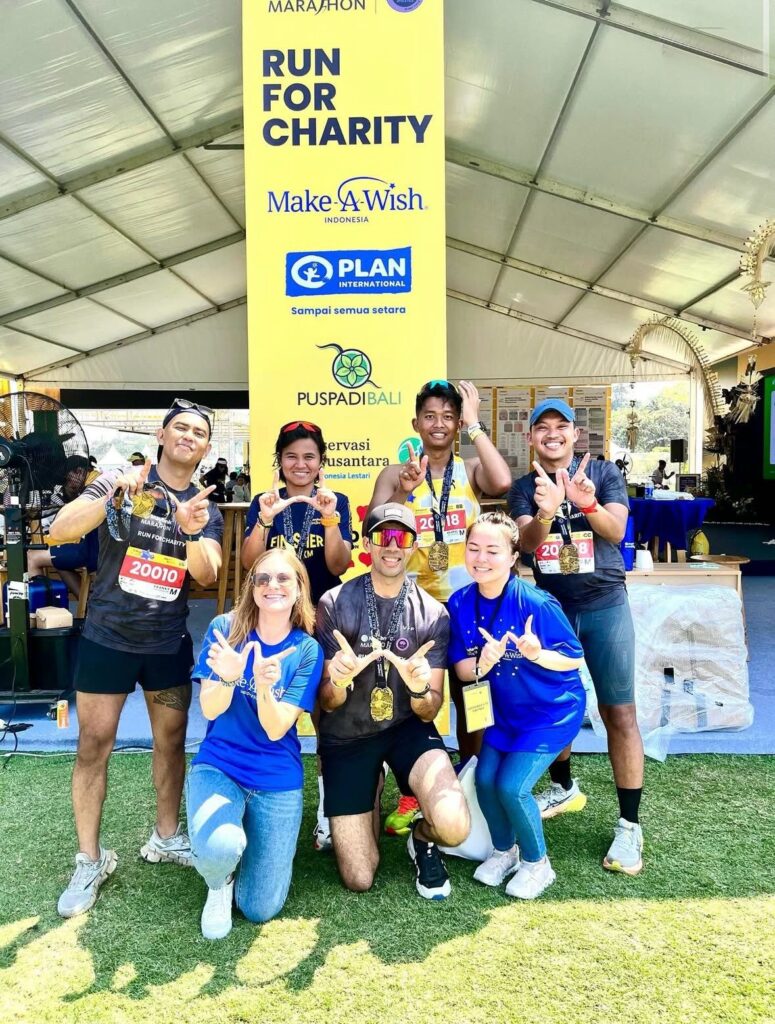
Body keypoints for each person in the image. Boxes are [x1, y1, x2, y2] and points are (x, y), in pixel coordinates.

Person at [50, 399, 224, 918]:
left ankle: (166, 837)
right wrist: (112, 493)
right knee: (93, 744)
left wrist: (192, 530)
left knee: (171, 741)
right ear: (162, 433)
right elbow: (61, 530)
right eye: (181, 427)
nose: (189, 436)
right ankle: (89, 858)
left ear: (207, 446)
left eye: (199, 431)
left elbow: (210, 574)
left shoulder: (205, 504)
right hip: (107, 639)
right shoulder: (118, 481)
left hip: (166, 645)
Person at [369, 379, 512, 835]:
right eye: (430, 415)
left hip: (468, 605)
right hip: (412, 606)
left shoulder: (469, 469)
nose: (439, 424)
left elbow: (503, 481)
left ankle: (470, 782)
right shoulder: (397, 472)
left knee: (473, 697)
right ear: (415, 422)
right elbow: (374, 526)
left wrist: (475, 425)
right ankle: (414, 791)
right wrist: (404, 493)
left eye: (449, 416)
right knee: (412, 697)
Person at [509, 399, 644, 875]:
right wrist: (546, 512)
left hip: (605, 604)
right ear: (530, 439)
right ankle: (564, 786)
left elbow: (615, 529)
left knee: (619, 712)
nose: (551, 434)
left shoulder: (603, 473)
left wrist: (584, 500)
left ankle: (630, 826)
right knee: (554, 704)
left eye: (560, 427)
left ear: (574, 435)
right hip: (554, 612)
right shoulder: (523, 488)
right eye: (541, 427)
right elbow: (525, 545)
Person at [316, 502, 470, 900]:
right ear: (367, 543)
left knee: (454, 826)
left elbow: (430, 709)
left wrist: (420, 689)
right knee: (359, 876)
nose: (392, 545)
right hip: (349, 734)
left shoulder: (434, 613)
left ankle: (421, 838)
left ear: (413, 546)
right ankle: (371, 780)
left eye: (401, 537)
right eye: (383, 536)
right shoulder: (334, 603)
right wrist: (337, 683)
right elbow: (327, 704)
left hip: (406, 730)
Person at [187, 547, 323, 939]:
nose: (272, 586)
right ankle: (219, 881)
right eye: (262, 579)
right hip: (221, 765)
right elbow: (211, 710)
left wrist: (264, 688)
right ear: (252, 587)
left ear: (299, 589)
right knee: (221, 849)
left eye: (284, 578)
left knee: (260, 908)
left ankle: (242, 848)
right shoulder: (224, 629)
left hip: (275, 777)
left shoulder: (306, 649)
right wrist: (229, 676)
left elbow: (277, 727)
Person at [448, 512, 585, 899]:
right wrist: (482, 664)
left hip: (550, 711)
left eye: (493, 550)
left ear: (513, 556)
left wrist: (537, 654)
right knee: (488, 781)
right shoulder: (460, 602)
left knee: (512, 787)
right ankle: (503, 851)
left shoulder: (536, 602)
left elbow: (574, 659)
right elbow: (461, 670)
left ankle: (537, 863)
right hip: (504, 714)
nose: (481, 558)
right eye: (474, 548)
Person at [242, 420, 353, 851]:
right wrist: (263, 521)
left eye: (309, 456)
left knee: (328, 715)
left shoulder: (335, 501)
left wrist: (330, 520)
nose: (300, 464)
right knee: (265, 706)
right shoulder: (264, 501)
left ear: (321, 461)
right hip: (274, 622)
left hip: (322, 620)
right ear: (280, 462)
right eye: (291, 456)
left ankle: (327, 813)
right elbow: (252, 562)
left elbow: (340, 565)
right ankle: (259, 797)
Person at [28, 455, 99, 599]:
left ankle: (41, 609)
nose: (81, 475)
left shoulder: (88, 493)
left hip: (89, 553)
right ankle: (88, 605)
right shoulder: (102, 486)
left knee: (32, 556)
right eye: (77, 472)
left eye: (83, 471)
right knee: (60, 564)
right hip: (99, 553)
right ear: (67, 474)